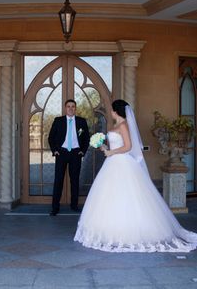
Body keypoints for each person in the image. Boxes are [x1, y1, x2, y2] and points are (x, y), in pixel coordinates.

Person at [74, 99, 197, 252]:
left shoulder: (124, 125)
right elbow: (116, 146)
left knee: (127, 195)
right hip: (112, 163)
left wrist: (111, 152)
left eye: (112, 110)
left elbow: (128, 146)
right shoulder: (116, 126)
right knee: (110, 196)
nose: (110, 112)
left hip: (122, 163)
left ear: (116, 111)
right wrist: (104, 146)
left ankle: (129, 231)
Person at [48, 99, 90, 216]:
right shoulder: (58, 121)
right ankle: (55, 207)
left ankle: (74, 205)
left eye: (73, 106)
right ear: (65, 108)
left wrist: (82, 151)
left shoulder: (81, 121)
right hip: (61, 153)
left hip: (76, 154)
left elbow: (86, 138)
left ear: (75, 108)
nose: (71, 108)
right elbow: (51, 137)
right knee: (58, 181)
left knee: (75, 181)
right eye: (68, 106)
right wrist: (55, 150)